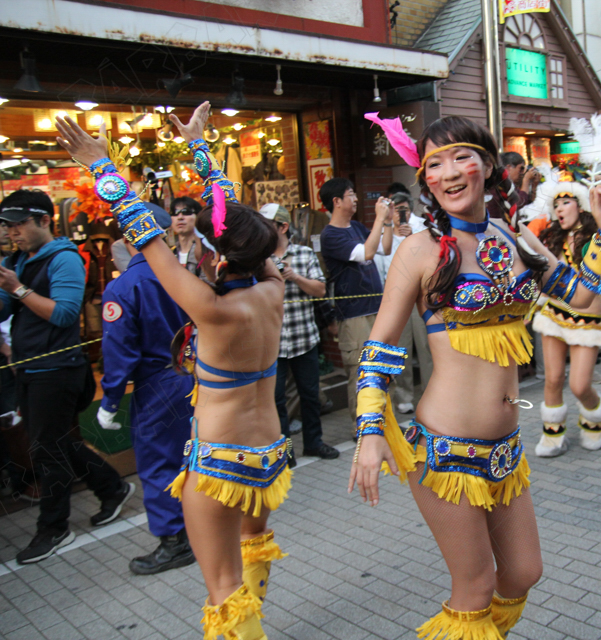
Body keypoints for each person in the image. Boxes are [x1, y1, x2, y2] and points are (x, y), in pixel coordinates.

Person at [353, 114, 601, 638]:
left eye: (460, 156)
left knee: (525, 573)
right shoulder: (420, 251)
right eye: (433, 164)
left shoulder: (514, 238)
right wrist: (371, 434)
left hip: (506, 446)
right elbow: (379, 349)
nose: (449, 172)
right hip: (443, 450)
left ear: (486, 164)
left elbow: (581, 294)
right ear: (427, 181)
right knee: (476, 584)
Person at [57, 103, 291, 639]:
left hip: (220, 460)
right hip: (271, 454)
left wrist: (102, 167)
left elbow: (148, 239)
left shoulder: (211, 309)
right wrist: (200, 152)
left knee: (223, 586)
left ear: (212, 253)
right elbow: (241, 228)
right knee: (252, 554)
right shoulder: (272, 290)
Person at [0, 190, 134, 565]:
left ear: (45, 220)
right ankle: (112, 487)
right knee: (54, 442)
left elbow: (63, 315)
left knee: (46, 449)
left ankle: (54, 526)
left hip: (57, 371)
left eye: (19, 224)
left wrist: (18, 288)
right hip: (29, 368)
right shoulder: (20, 259)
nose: (13, 232)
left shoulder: (65, 259)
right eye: (8, 226)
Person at [98, 204, 197, 575]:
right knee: (191, 454)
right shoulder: (181, 275)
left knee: (157, 463)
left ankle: (174, 541)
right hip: (189, 376)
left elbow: (119, 350)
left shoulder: (124, 286)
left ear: (128, 238)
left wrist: (109, 399)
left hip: (155, 384)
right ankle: (201, 527)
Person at [532, 181, 601, 457]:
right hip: (554, 312)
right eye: (555, 204)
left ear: (580, 205)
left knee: (578, 385)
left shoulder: (596, 238)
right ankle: (553, 436)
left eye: (565, 202)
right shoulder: (551, 238)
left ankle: (596, 416)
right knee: (552, 379)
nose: (560, 209)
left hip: (586, 317)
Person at [260, 203, 339, 461]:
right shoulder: (258, 259)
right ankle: (284, 451)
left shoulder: (304, 254)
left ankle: (314, 443)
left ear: (282, 227)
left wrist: (293, 276)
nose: (262, 230)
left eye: (267, 225)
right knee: (276, 399)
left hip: (304, 337)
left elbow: (320, 290)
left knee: (309, 394)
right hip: (273, 342)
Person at [319, 178, 393, 420]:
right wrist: (380, 219)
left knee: (380, 368)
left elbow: (385, 247)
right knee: (360, 372)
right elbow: (367, 253)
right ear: (337, 201)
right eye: (351, 194)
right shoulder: (329, 235)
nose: (356, 199)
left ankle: (381, 420)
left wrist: (389, 221)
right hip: (353, 314)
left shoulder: (358, 227)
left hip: (375, 308)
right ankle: (360, 427)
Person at [372, 192, 430, 413]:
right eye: (396, 209)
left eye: (404, 209)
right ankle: (404, 396)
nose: (400, 214)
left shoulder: (422, 228)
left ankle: (429, 394)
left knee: (426, 346)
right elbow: (378, 266)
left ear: (411, 209)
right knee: (399, 348)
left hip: (420, 294)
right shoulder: (382, 231)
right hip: (394, 296)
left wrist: (411, 237)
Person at [171, 196, 203, 275]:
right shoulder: (170, 254)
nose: (180, 217)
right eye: (175, 213)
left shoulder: (205, 254)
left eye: (186, 212)